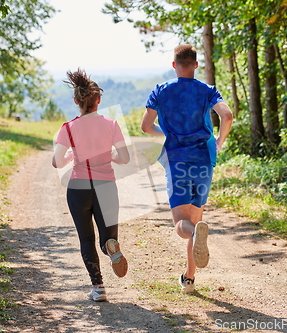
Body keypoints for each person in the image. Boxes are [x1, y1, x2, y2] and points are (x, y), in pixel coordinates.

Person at [141, 44, 233, 293]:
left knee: (183, 226)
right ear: (195, 64)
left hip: (177, 160)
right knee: (195, 220)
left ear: (174, 65)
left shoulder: (160, 91)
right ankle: (189, 278)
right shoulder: (207, 90)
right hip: (204, 158)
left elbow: (146, 126)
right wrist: (219, 141)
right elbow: (227, 116)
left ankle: (195, 244)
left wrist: (168, 133)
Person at [52, 68, 130, 302]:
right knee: (107, 238)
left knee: (86, 240)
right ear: (99, 100)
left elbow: (56, 162)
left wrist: (72, 157)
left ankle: (98, 288)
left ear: (76, 101)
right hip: (106, 186)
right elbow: (124, 158)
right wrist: (108, 156)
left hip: (79, 188)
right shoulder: (112, 124)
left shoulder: (68, 128)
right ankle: (111, 249)